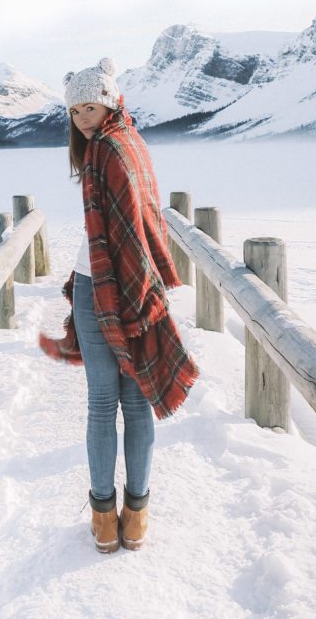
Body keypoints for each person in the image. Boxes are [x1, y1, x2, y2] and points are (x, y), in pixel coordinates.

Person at [38, 57, 199, 553]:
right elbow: (138, 221)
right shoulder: (128, 143)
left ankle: (106, 517)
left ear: (109, 101)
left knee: (105, 404)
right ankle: (135, 515)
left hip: (103, 288)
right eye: (75, 110)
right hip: (122, 285)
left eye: (91, 106)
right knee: (132, 403)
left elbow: (126, 224)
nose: (84, 118)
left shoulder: (105, 149)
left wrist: (123, 287)